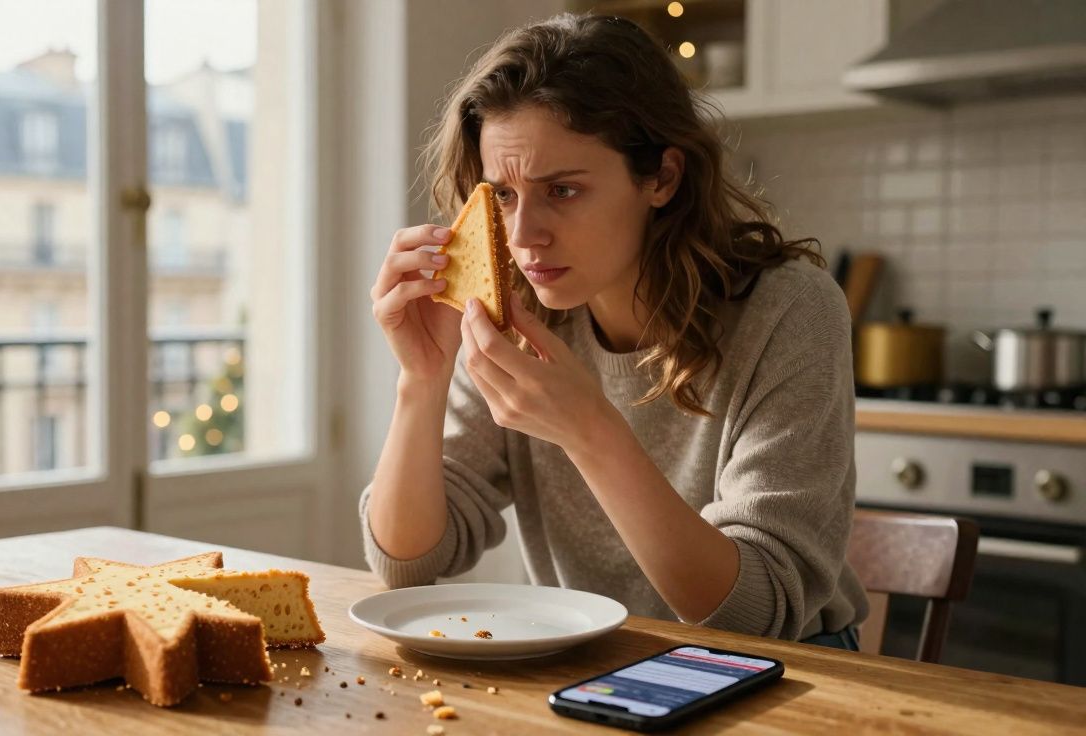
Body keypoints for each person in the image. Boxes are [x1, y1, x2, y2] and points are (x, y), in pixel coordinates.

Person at [362, 13, 868, 650]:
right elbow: (408, 562)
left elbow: (754, 614)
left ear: (662, 177)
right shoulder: (515, 311)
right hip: (586, 659)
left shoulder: (788, 311)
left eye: (564, 190)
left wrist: (588, 428)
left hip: (787, 674)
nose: (522, 238)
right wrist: (422, 379)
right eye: (505, 197)